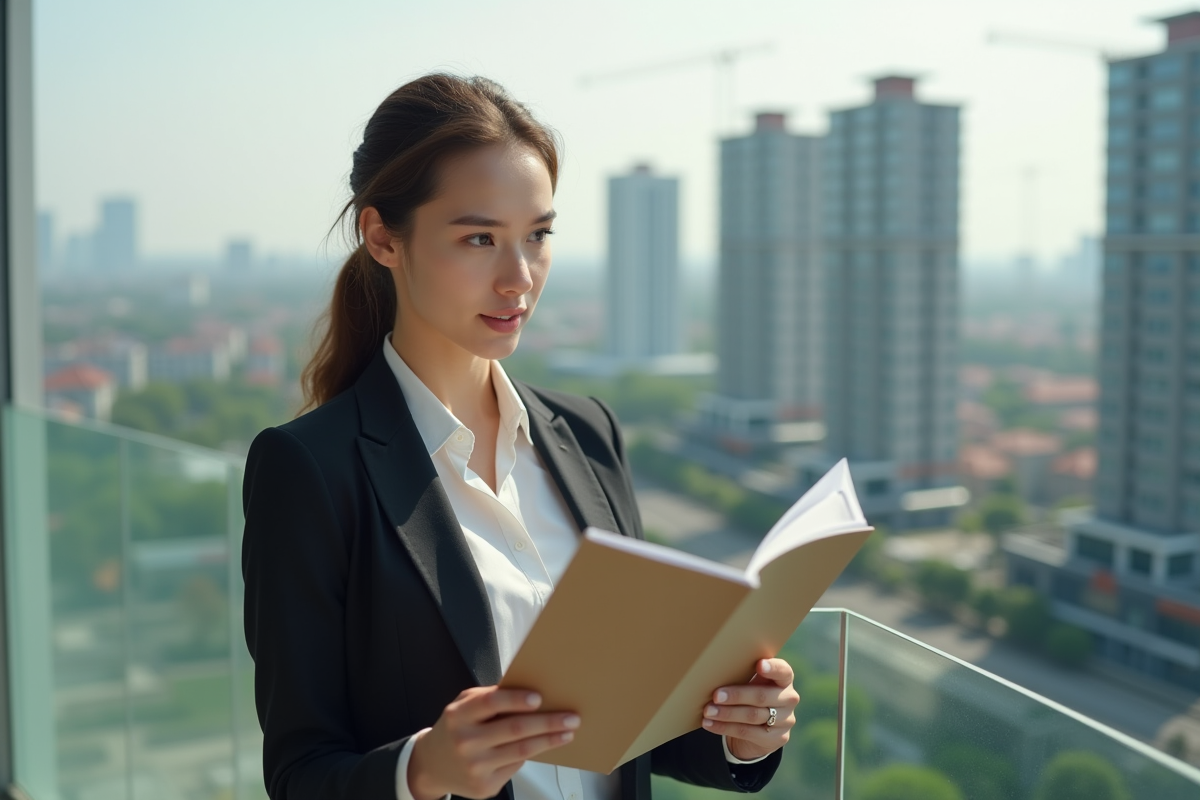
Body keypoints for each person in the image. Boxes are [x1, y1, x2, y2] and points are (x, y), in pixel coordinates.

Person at [240, 73, 799, 800]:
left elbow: (618, 724)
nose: (519, 279)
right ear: (382, 238)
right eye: (479, 238)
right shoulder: (309, 470)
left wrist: (736, 734)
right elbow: (300, 775)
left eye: (537, 236)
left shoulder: (588, 434)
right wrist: (422, 770)